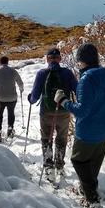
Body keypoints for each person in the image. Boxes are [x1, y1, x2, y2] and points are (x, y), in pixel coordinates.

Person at [54, 43, 105, 208]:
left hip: (87, 131)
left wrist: (63, 101)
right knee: (93, 163)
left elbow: (81, 112)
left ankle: (92, 200)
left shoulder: (86, 79)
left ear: (82, 60)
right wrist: (104, 100)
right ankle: (87, 190)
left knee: (79, 161)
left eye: (79, 60)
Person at [28, 48, 78, 176]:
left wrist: (30, 98)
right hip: (64, 111)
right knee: (61, 138)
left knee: (46, 137)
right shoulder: (67, 73)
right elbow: (77, 91)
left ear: (47, 59)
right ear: (60, 59)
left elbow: (34, 97)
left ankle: (48, 165)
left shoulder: (41, 73)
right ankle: (60, 164)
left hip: (46, 112)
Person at [0, 56, 24, 142]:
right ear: (7, 62)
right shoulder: (13, 71)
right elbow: (20, 83)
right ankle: (10, 129)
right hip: (12, 97)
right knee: (11, 113)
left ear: (0, 62)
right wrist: (21, 89)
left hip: (0, 98)